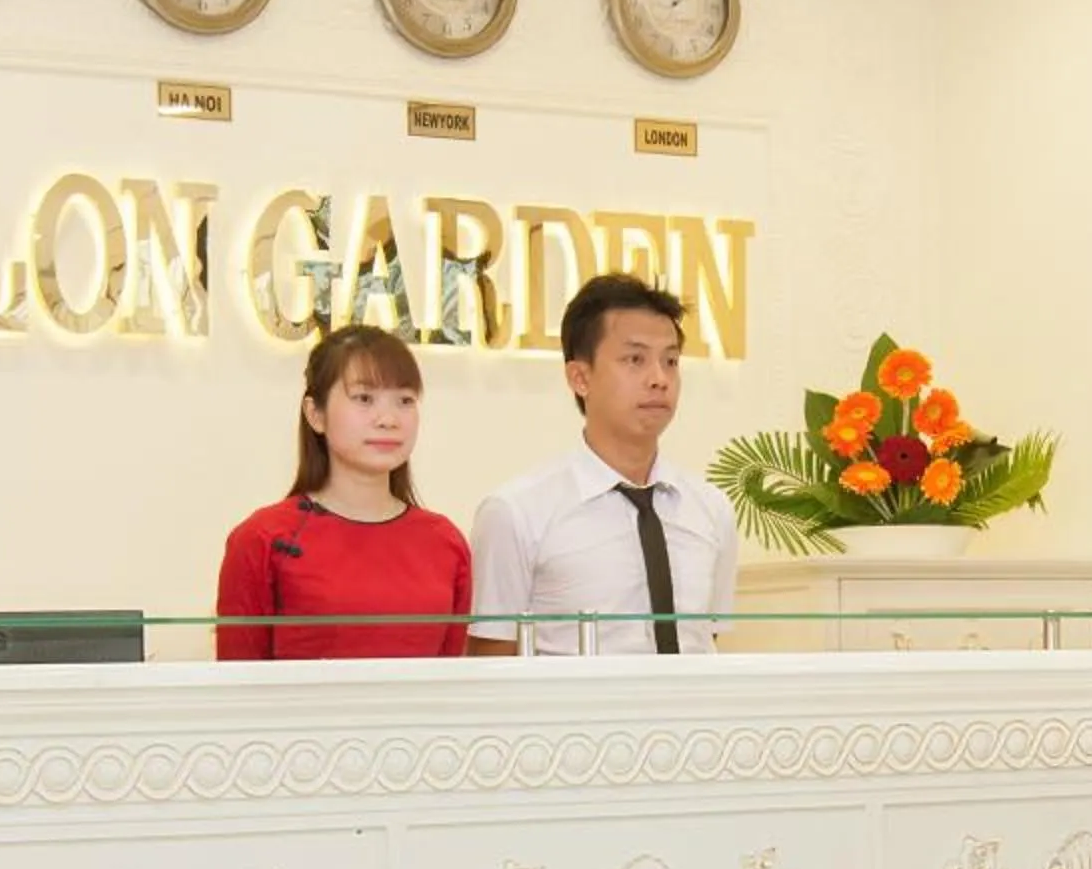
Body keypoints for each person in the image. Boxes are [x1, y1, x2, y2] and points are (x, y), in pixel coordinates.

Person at [467, 274, 737, 656]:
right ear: (580, 377)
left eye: (671, 361)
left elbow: (706, 641)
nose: (659, 379)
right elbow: (492, 658)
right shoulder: (516, 512)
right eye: (635, 359)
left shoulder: (711, 509)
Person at [215, 326, 470, 660]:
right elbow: (237, 681)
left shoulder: (445, 542)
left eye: (405, 401)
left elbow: (450, 680)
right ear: (315, 414)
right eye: (364, 398)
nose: (388, 419)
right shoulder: (262, 538)